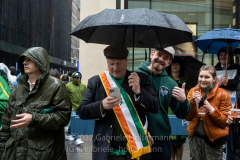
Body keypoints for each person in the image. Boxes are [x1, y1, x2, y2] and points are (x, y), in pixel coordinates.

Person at [79, 45, 160, 160]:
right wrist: (102, 105)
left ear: (126, 60)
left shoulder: (140, 79)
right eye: (111, 64)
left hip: (135, 152)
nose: (115, 68)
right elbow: (82, 111)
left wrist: (139, 91)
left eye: (119, 63)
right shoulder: (96, 82)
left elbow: (155, 107)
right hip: (105, 152)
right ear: (107, 62)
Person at [0, 47, 72, 160]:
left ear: (40, 62)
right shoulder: (17, 88)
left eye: (29, 59)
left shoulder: (56, 86)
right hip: (15, 153)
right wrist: (2, 151)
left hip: (43, 154)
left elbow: (63, 117)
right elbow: (6, 124)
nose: (24, 62)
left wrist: (34, 119)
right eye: (24, 60)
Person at [135, 47, 190, 160]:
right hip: (139, 136)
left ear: (169, 62)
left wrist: (183, 100)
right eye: (159, 55)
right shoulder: (135, 76)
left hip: (162, 138)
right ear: (152, 54)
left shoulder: (171, 83)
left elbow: (182, 114)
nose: (161, 59)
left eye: (165, 58)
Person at [186, 65, 231, 160]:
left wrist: (211, 109)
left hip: (213, 139)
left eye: (207, 77)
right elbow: (187, 117)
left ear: (214, 79)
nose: (203, 80)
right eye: (201, 76)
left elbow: (224, 122)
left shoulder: (223, 94)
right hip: (196, 137)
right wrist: (192, 102)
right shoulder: (193, 91)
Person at [166, 57, 192, 160]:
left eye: (177, 65)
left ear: (181, 66)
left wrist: (186, 96)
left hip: (181, 109)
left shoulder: (186, 79)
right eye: (173, 64)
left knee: (180, 139)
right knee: (171, 139)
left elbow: (189, 95)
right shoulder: (166, 78)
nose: (175, 66)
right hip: (169, 110)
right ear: (170, 66)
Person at [65, 72, 86, 145]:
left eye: (78, 78)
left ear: (80, 78)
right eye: (75, 77)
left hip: (80, 107)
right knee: (75, 122)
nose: (76, 79)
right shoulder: (68, 86)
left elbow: (85, 96)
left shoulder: (83, 86)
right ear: (72, 78)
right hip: (72, 107)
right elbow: (65, 96)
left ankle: (67, 134)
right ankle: (76, 138)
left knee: (74, 122)